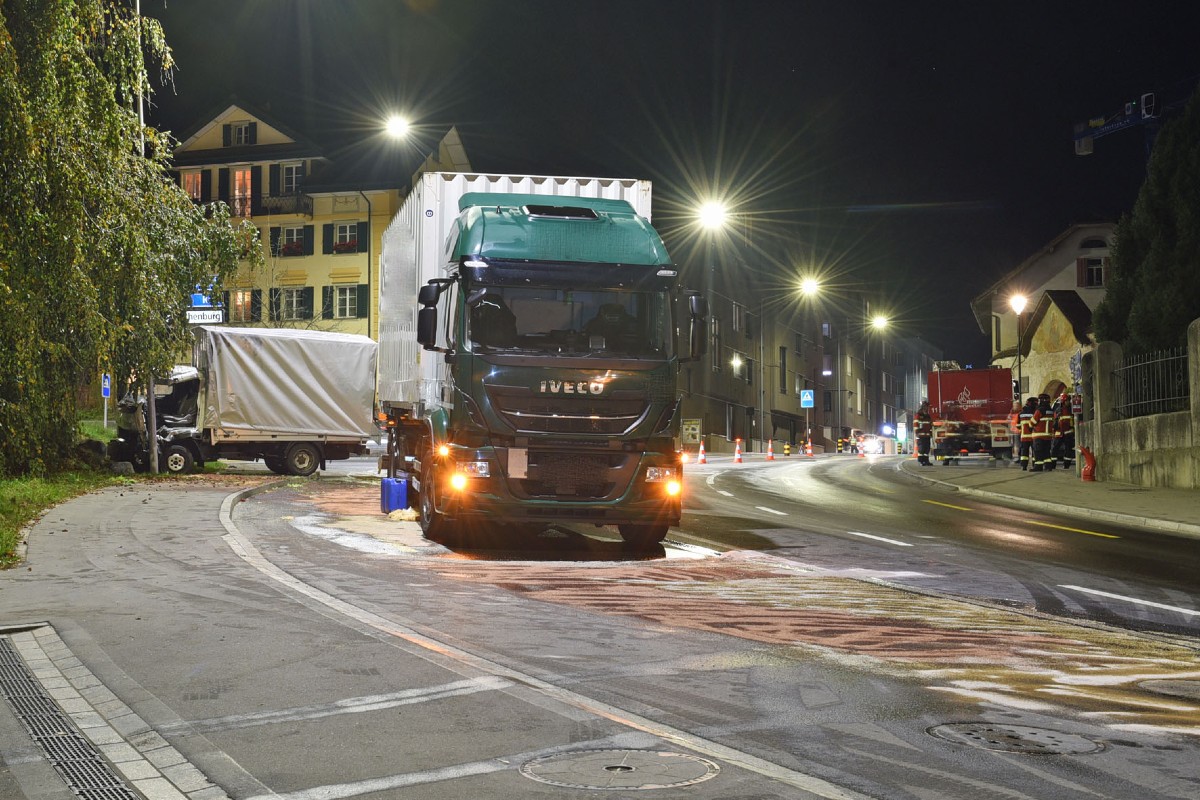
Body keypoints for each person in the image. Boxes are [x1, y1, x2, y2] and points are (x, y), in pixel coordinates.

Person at [1030, 393, 1055, 472]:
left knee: (1038, 452)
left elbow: (1032, 422)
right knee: (1046, 452)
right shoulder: (1050, 410)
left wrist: (1030, 424)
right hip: (1048, 436)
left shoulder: (1040, 410)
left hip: (1039, 435)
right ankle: (1048, 466)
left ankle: (1038, 467)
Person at [1017, 396, 1037, 470]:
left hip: (1024, 436)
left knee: (1024, 452)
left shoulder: (1021, 413)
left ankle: (1024, 466)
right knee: (1035, 451)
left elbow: (1018, 425)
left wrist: (1023, 428)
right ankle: (1034, 465)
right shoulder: (1035, 412)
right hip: (1033, 436)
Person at [913, 400, 933, 466]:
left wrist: (931, 433)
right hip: (921, 436)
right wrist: (917, 433)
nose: (927, 408)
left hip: (927, 436)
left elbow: (930, 425)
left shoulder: (928, 416)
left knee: (927, 449)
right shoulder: (919, 415)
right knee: (922, 449)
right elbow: (916, 424)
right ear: (923, 407)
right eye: (926, 407)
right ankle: (922, 461)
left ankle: (926, 461)